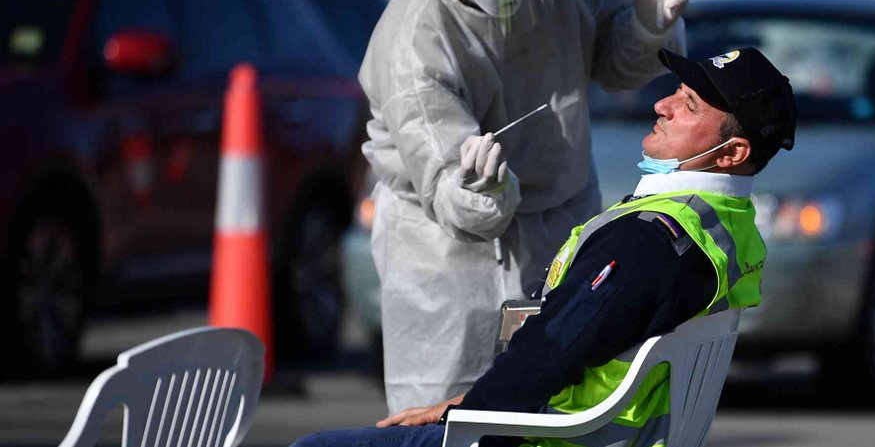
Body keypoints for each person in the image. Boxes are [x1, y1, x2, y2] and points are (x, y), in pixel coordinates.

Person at [293, 46, 797, 447]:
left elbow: (551, 352)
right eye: (678, 92)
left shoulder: (649, 239)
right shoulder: (730, 224)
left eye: (687, 106)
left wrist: (461, 415)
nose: (661, 105)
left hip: (551, 438)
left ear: (732, 153)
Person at [360, 0, 693, 413]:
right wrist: (480, 192)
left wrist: (646, 26)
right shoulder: (413, 44)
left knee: (560, 408)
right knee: (444, 420)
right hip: (449, 259)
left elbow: (614, 66)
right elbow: (450, 194)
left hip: (561, 222)